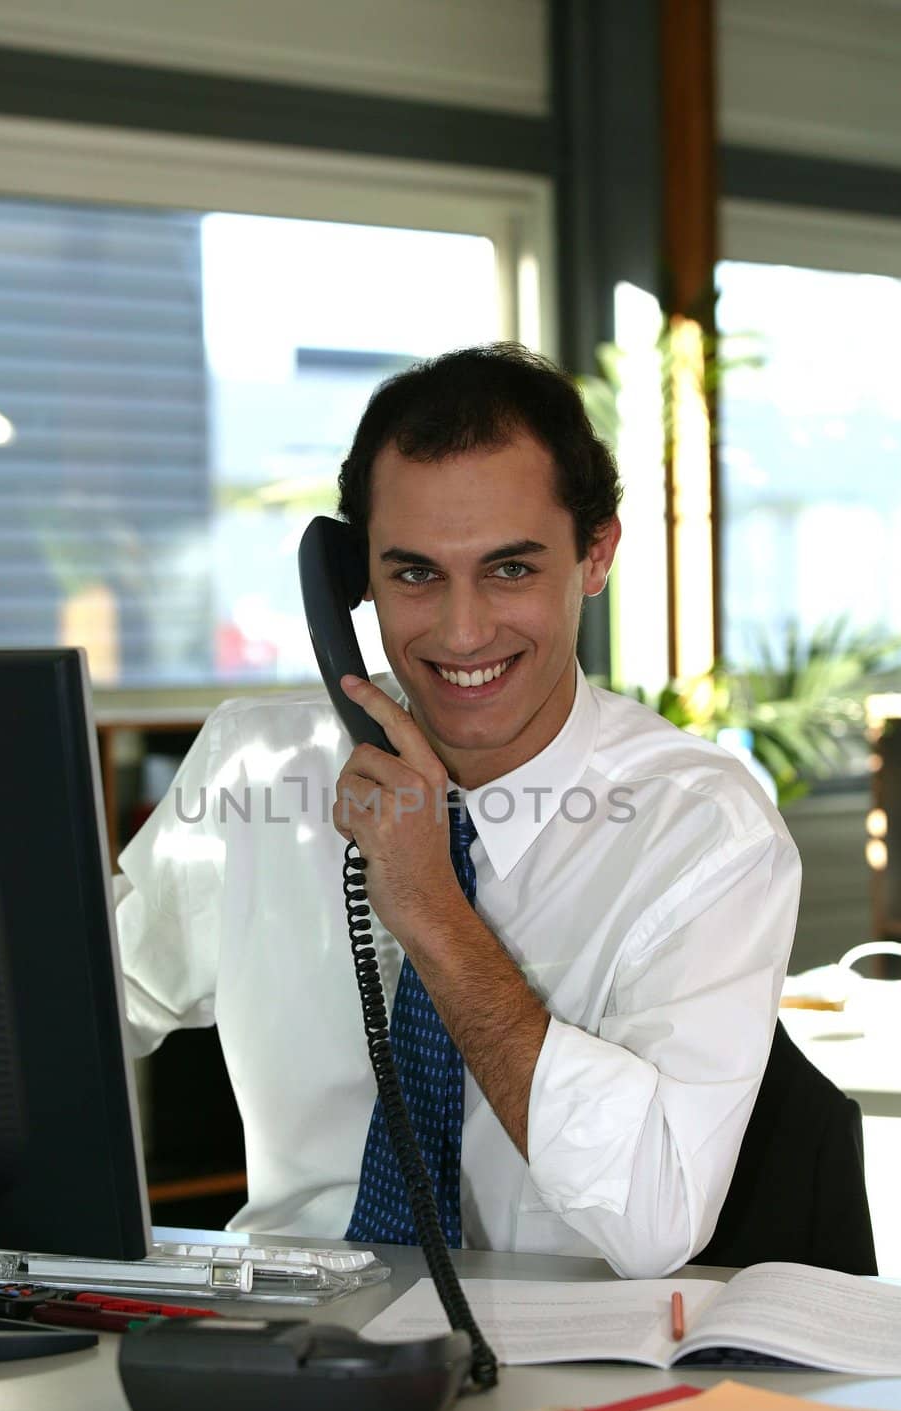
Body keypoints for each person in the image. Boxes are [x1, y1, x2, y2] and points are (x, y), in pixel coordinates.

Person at [114, 343, 800, 1279]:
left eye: (510, 570)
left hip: (574, 1362)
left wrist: (430, 909)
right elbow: (74, 1014)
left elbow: (653, 1219)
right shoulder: (260, 766)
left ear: (595, 555)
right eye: (414, 575)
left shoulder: (699, 830)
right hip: (287, 1331)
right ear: (352, 577)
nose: (462, 630)